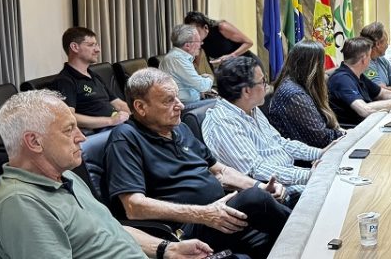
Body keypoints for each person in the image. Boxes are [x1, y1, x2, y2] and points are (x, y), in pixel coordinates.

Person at [0, 89, 213, 259]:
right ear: (34, 142)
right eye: (69, 129)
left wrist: (167, 249)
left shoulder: (66, 176)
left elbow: (110, 229)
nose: (81, 137)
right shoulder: (20, 203)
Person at [104, 68, 291, 259]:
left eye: (177, 98)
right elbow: (133, 206)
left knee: (284, 204)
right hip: (186, 230)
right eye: (169, 101)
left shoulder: (181, 129)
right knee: (254, 198)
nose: (180, 106)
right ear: (141, 107)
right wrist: (204, 214)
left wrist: (261, 185)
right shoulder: (125, 138)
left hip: (220, 217)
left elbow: (220, 172)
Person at [203, 57, 335, 195]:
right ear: (247, 91)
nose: (266, 86)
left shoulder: (251, 108)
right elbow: (256, 170)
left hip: (288, 176)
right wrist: (309, 175)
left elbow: (280, 142)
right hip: (271, 190)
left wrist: (320, 153)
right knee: (334, 190)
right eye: (262, 82)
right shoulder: (223, 122)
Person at [266, 40, 347, 148]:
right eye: (323, 63)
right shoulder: (294, 95)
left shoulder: (298, 84)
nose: (324, 69)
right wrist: (347, 134)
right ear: (314, 66)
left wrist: (343, 132)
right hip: (305, 155)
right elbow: (322, 139)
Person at [53, 27, 131, 133]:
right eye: (91, 45)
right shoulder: (65, 81)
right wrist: (110, 121)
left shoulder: (94, 75)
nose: (98, 50)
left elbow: (119, 104)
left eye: (96, 45)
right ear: (74, 47)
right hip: (103, 132)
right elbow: (69, 116)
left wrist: (141, 117)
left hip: (118, 127)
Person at [327, 37, 391, 126]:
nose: (370, 60)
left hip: (367, 124)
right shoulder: (342, 79)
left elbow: (383, 93)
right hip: (354, 130)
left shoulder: (358, 75)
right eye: (369, 56)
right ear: (363, 59)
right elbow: (365, 110)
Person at [158, 24, 216, 109]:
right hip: (182, 106)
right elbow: (202, 86)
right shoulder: (177, 58)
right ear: (187, 45)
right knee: (220, 104)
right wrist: (210, 78)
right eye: (199, 41)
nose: (201, 44)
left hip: (190, 102)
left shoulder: (179, 57)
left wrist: (201, 81)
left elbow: (194, 83)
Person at [184, 11, 255, 66]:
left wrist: (231, 56)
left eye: (197, 32)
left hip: (246, 64)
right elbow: (196, 63)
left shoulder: (222, 27)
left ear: (205, 27)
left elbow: (249, 42)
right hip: (228, 72)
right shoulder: (198, 41)